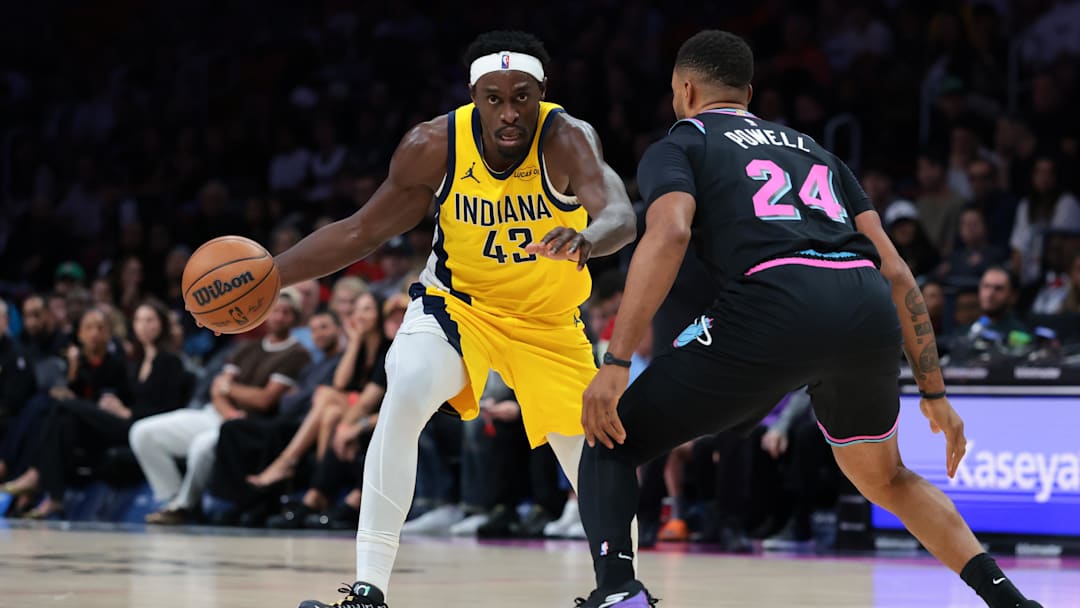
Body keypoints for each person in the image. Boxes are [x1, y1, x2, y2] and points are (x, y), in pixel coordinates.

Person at [574, 31, 1042, 608]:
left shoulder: (681, 142)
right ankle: (1012, 603)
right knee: (886, 478)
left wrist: (617, 361)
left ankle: (619, 593)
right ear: (748, 91)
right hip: (863, 302)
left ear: (686, 89)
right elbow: (897, 272)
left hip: (773, 300)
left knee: (609, 438)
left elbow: (669, 232)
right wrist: (934, 392)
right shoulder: (814, 149)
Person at [186, 30, 636, 607]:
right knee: (407, 389)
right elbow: (360, 230)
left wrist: (586, 238)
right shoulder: (433, 144)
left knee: (594, 458)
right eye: (493, 98)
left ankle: (621, 594)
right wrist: (270, 276)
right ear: (473, 95)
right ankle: (368, 590)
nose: (507, 112)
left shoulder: (567, 138)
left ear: (542, 93)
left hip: (548, 322)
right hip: (457, 307)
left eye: (521, 97)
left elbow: (620, 212)